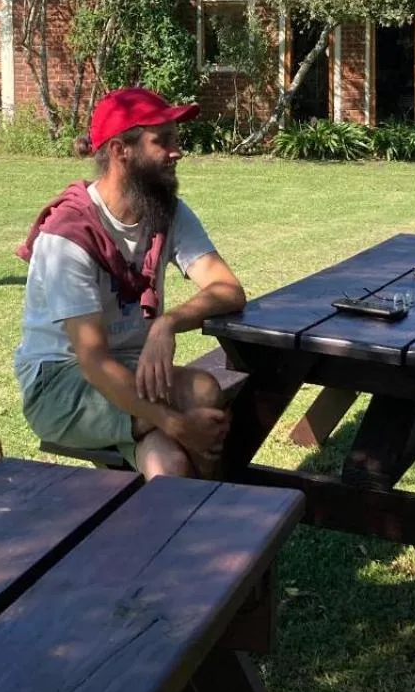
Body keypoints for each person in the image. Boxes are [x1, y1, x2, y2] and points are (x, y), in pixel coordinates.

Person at [13, 87, 246, 479]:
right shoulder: (68, 235)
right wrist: (174, 424)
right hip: (61, 385)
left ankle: (197, 521)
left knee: (188, 424)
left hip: (131, 370)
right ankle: (205, 518)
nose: (178, 151)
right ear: (122, 150)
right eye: (163, 141)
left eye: (177, 139)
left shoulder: (164, 211)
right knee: (182, 435)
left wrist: (166, 323)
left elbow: (227, 288)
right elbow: (94, 362)